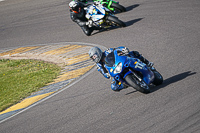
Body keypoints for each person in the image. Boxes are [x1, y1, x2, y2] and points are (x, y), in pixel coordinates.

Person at [88, 46, 154, 92]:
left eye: (94, 56)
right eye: (92, 58)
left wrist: (123, 50)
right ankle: (126, 83)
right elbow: (105, 75)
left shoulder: (108, 51)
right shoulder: (99, 66)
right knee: (114, 87)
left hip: (121, 62)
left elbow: (117, 50)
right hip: (114, 70)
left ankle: (147, 63)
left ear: (98, 52)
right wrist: (107, 74)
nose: (94, 58)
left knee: (133, 53)